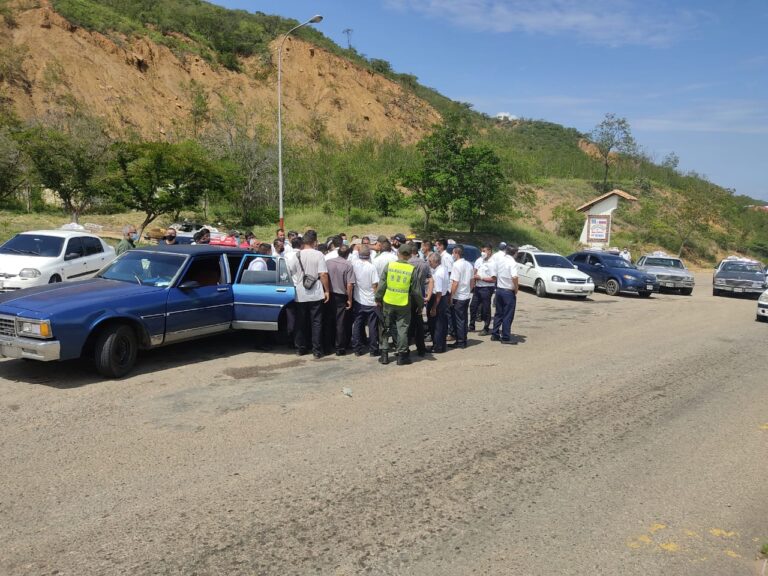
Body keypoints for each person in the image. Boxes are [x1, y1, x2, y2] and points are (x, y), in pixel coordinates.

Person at [375, 244, 423, 366]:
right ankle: (402, 356)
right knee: (402, 329)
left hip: (388, 301)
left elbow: (382, 285)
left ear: (398, 253)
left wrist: (378, 298)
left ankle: (384, 355)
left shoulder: (390, 266)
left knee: (385, 326)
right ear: (410, 255)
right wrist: (420, 305)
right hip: (403, 303)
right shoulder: (411, 269)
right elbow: (416, 291)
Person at [286, 230, 330, 358]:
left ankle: (300, 348)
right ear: (314, 241)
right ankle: (316, 350)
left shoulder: (296, 256)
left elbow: (290, 272)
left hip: (300, 292)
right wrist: (327, 290)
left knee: (300, 321)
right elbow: (323, 274)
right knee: (316, 321)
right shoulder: (319, 255)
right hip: (316, 292)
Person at [325, 244, 355, 356]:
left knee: (328, 321)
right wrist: (350, 299)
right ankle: (339, 347)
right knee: (340, 322)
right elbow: (349, 284)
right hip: (341, 295)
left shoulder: (328, 262)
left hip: (329, 294)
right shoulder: (348, 265)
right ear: (348, 254)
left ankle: (327, 346)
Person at [351, 246, 380, 357]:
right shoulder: (371, 267)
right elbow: (375, 285)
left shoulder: (355, 264)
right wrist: (377, 299)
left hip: (359, 299)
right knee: (372, 325)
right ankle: (373, 349)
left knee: (358, 324)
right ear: (369, 256)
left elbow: (354, 249)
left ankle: (357, 349)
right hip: (371, 301)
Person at [408, 242, 433, 356]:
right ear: (417, 251)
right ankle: (421, 348)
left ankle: (405, 347)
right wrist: (428, 295)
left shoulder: (406, 263)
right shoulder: (424, 264)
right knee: (419, 323)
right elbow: (430, 280)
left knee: (406, 322)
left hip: (408, 296)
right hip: (420, 296)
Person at [492, 244, 520, 344]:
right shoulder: (512, 263)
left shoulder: (500, 260)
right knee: (508, 314)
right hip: (508, 291)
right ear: (514, 253)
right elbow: (514, 277)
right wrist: (516, 288)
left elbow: (494, 274)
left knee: (498, 313)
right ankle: (505, 337)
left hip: (499, 289)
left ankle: (495, 334)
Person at [449, 244, 474, 349]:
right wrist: (469, 290)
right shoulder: (469, 264)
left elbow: (455, 282)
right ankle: (463, 338)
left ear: (456, 253)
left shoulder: (456, 265)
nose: (452, 255)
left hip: (458, 296)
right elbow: (472, 281)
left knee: (458, 320)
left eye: (453, 253)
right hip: (466, 295)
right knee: (463, 319)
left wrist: (451, 296)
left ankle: (460, 341)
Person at [469, 243, 497, 335]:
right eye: (481, 251)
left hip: (487, 288)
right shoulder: (479, 260)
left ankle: (486, 328)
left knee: (485, 308)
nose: (482, 253)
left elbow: (493, 279)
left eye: (484, 251)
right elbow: (474, 273)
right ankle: (471, 325)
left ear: (489, 251)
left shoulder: (492, 263)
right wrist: (471, 287)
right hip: (478, 288)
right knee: (473, 306)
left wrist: (481, 278)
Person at [426, 252, 449, 353]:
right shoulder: (442, 269)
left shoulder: (439, 273)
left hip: (437, 299)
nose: (429, 263)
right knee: (441, 323)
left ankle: (437, 347)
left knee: (436, 325)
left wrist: (434, 307)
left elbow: (438, 292)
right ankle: (440, 345)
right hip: (442, 298)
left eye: (430, 261)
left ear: (435, 261)